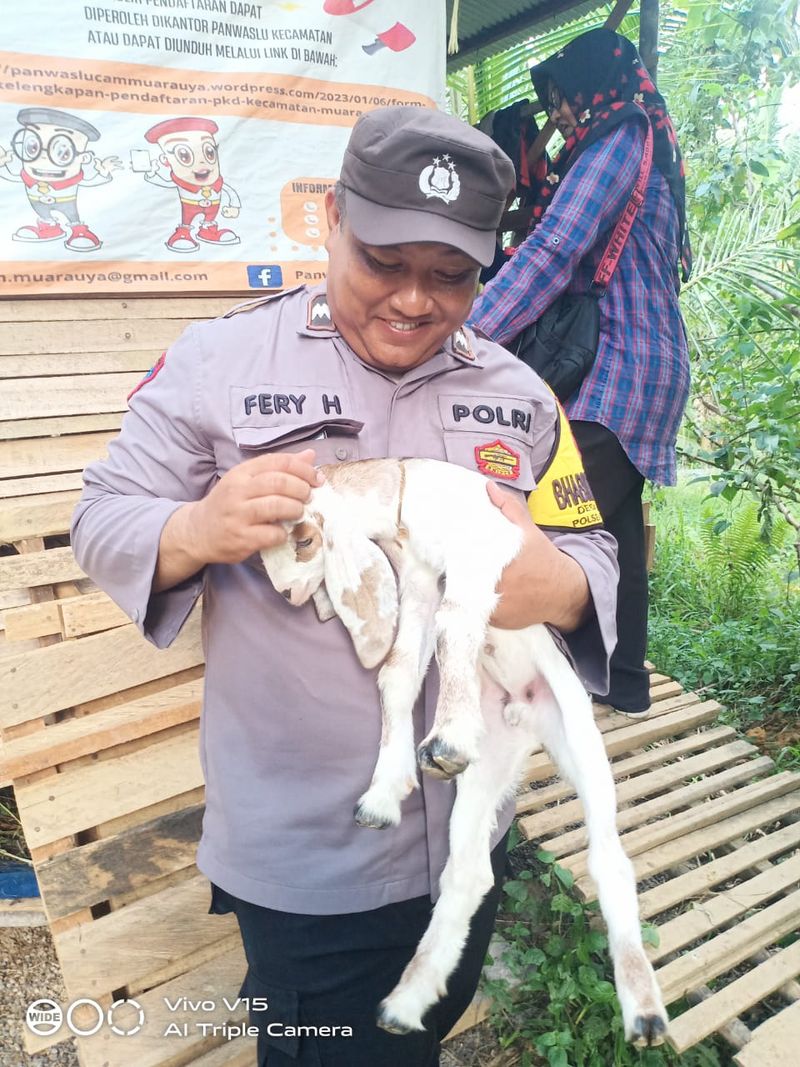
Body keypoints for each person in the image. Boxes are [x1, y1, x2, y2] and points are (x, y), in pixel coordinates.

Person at [71, 106, 619, 1067]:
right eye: (383, 262)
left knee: (419, 1034)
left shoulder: (521, 396)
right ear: (331, 219)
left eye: (450, 275)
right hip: (309, 866)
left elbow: (595, 550)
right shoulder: (219, 363)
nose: (413, 299)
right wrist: (196, 527)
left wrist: (563, 584)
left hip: (470, 840)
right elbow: (102, 515)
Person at [470, 28, 692, 718]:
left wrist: (464, 338)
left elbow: (555, 250)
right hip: (647, 368)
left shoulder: (619, 138)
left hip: (619, 369)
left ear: (598, 87)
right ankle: (621, 684)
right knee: (612, 523)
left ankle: (530, 691)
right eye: (553, 105)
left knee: (548, 515)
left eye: (565, 100)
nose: (560, 115)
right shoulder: (640, 145)